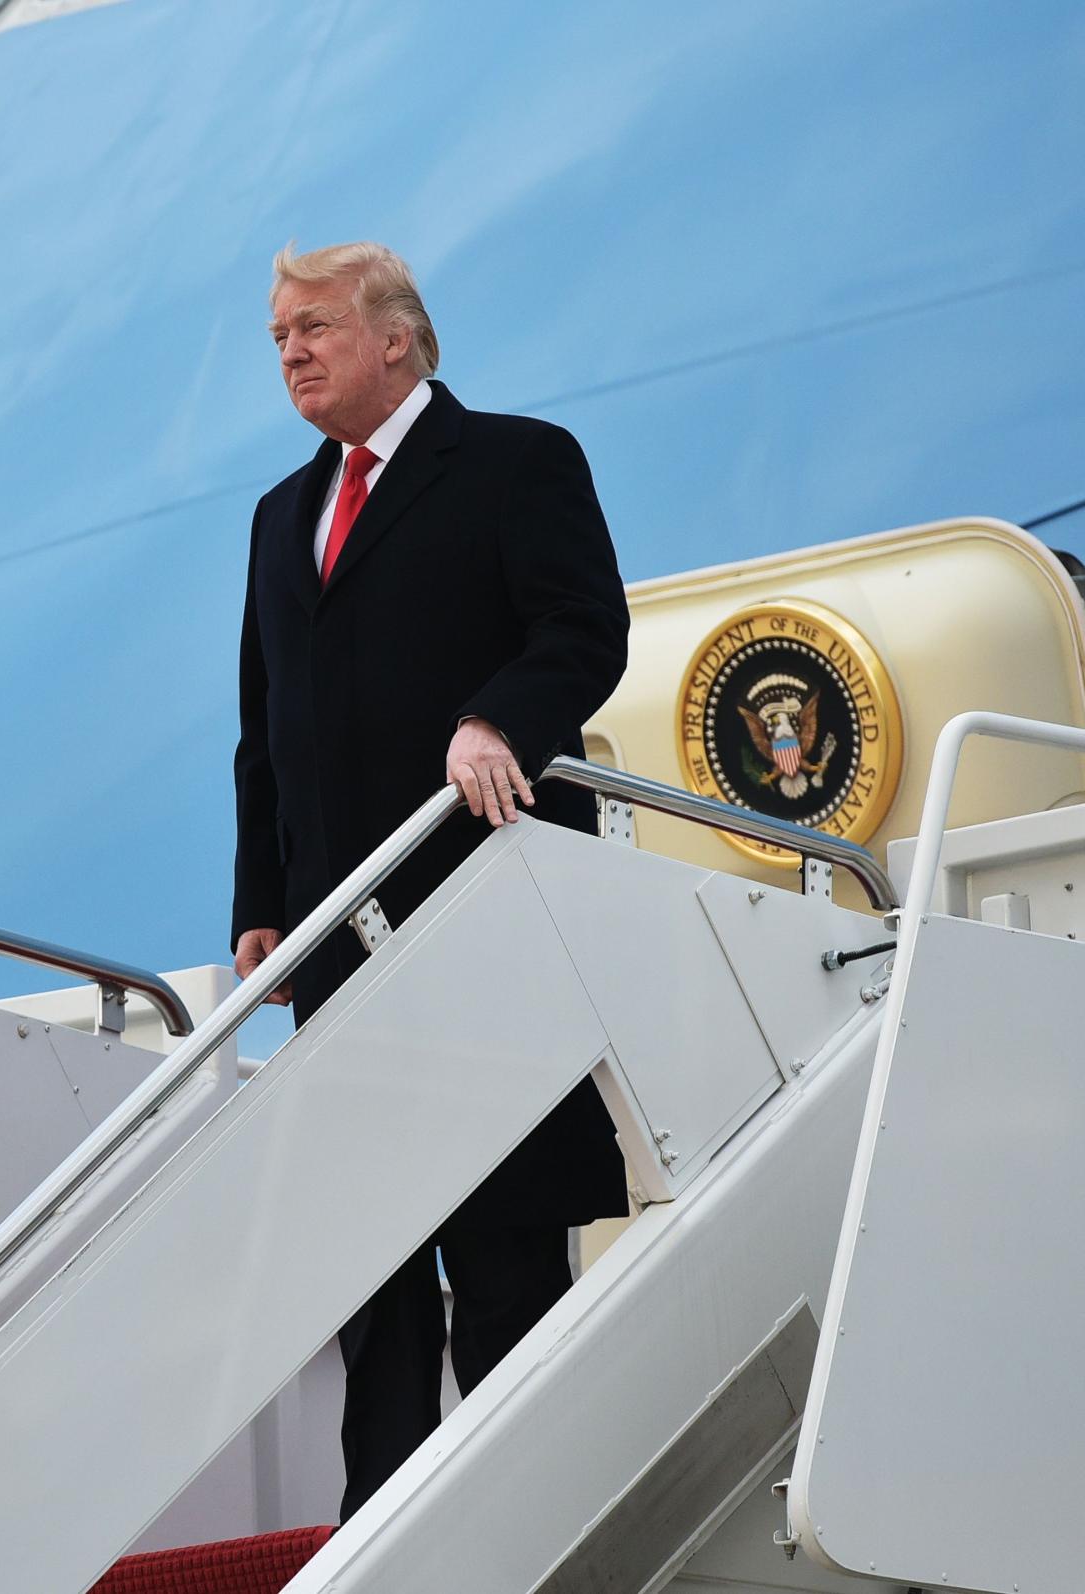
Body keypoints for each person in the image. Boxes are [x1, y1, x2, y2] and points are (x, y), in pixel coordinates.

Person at [228, 241, 631, 1520]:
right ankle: (388, 1529)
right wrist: (259, 904)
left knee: (505, 1257)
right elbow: (264, 730)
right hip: (337, 953)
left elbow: (584, 628)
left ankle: (526, 1517)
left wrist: (500, 722)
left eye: (314, 326)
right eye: (278, 333)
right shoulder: (277, 516)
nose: (289, 349)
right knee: (372, 1274)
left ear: (397, 337)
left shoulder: (519, 462)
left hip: (484, 923)